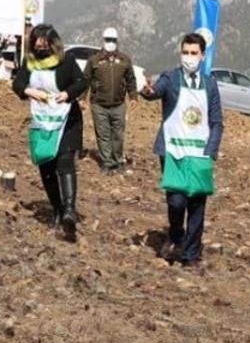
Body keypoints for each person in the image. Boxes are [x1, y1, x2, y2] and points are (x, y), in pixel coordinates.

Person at [141, 32, 223, 270]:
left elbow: (216, 121)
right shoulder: (171, 78)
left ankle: (191, 255)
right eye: (185, 52)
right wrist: (146, 90)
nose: (188, 57)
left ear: (203, 55)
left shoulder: (210, 84)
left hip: (199, 154)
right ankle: (176, 235)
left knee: (197, 203)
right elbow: (154, 91)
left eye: (193, 53)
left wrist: (211, 151)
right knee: (176, 201)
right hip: (173, 151)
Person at [13, 25, 88, 240]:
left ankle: (69, 210)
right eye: (37, 46)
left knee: (65, 162)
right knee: (46, 165)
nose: (40, 50)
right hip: (43, 121)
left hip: (67, 121)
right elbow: (17, 83)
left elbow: (82, 82)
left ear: (53, 44)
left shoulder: (67, 61)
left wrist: (67, 94)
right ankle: (56, 209)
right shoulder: (30, 62)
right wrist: (29, 91)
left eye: (44, 46)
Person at [87, 27, 137, 174]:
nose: (110, 43)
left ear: (117, 41)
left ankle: (117, 160)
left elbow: (130, 79)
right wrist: (82, 99)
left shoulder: (124, 60)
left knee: (118, 134)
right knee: (103, 134)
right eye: (108, 40)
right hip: (99, 104)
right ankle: (107, 163)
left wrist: (133, 96)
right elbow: (86, 79)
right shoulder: (94, 60)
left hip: (119, 104)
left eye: (113, 40)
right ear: (103, 41)